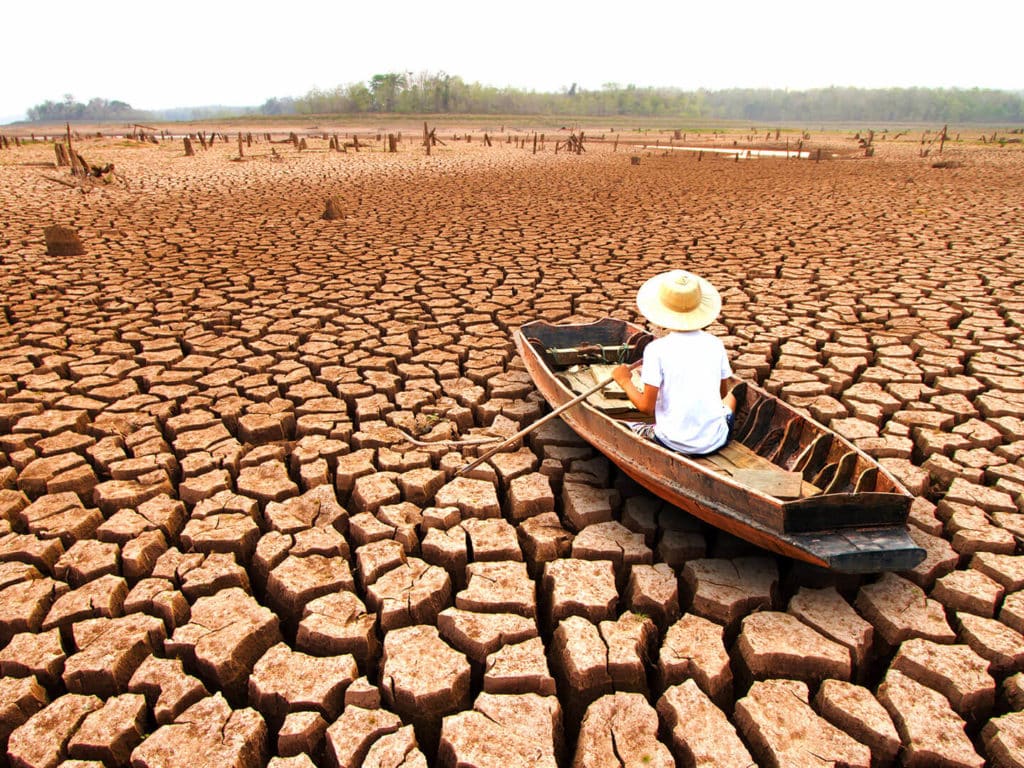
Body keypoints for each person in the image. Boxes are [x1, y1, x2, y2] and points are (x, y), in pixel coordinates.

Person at [612, 269, 737, 455]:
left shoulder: (657, 350)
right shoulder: (715, 344)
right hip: (716, 440)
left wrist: (624, 381)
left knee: (628, 425)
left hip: (673, 442)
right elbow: (721, 394)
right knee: (732, 398)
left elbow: (646, 408)